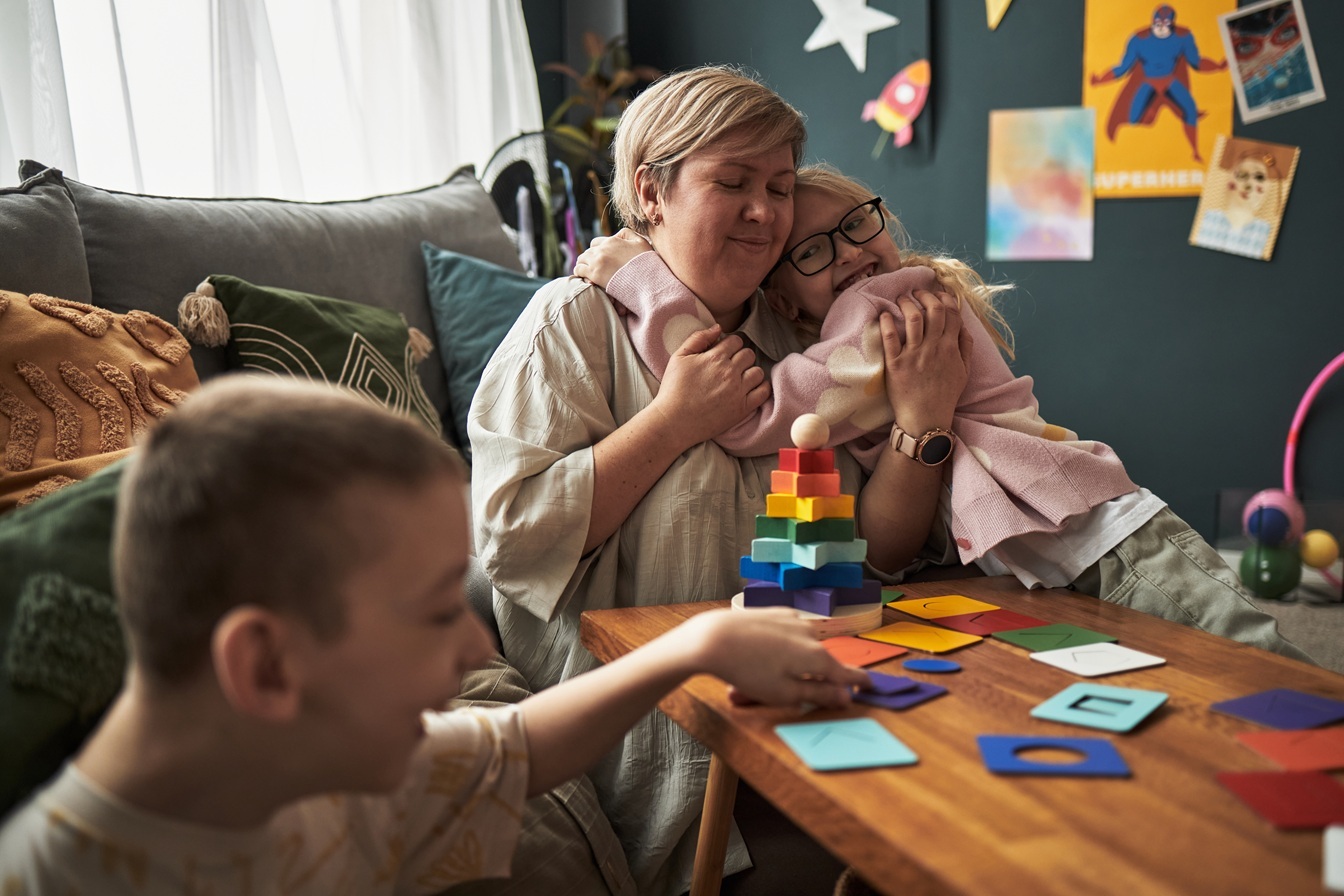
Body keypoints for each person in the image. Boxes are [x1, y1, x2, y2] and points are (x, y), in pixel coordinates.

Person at [0, 375, 871, 893]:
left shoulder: (313, 767)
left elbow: (518, 746)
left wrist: (697, 645)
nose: (473, 650)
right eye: (432, 610)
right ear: (265, 667)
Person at [468, 66, 970, 895]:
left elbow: (873, 557)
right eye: (731, 182)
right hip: (659, 737)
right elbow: (513, 540)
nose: (766, 211)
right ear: (651, 193)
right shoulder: (573, 322)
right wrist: (672, 422)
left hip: (820, 701)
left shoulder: (805, 339)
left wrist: (924, 420)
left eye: (778, 185)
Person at [578, 162, 1313, 664]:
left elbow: (749, 413)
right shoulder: (851, 337)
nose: (850, 253)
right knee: (1209, 686)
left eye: (859, 224)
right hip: (1056, 558)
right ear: (779, 300)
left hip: (1104, 539)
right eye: (812, 252)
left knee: (1265, 669)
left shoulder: (891, 312)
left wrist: (640, 279)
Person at [1089, 4, 1228, 162]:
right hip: (1148, 81)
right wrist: (1100, 80)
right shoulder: (1138, 39)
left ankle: (1195, 152)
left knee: (1190, 109)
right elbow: (1123, 68)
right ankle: (1148, 115)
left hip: (1170, 80)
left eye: (1166, 24)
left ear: (1172, 24)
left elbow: (1196, 62)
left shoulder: (1183, 36)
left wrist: (1218, 66)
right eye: (1158, 24)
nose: (1162, 28)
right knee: (1133, 118)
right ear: (1152, 22)